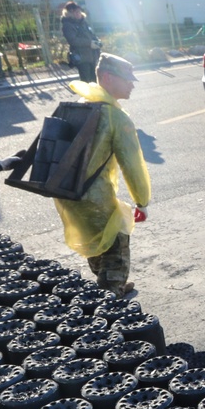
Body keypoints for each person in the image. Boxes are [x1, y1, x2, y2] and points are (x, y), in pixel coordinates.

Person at [53, 54, 150, 297]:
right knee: (117, 244)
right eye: (127, 79)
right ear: (107, 78)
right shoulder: (116, 116)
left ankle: (109, 285)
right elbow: (133, 165)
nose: (132, 84)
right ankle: (110, 298)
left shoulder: (79, 104)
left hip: (68, 194)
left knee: (96, 242)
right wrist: (142, 200)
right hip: (96, 198)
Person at [61, 1, 100, 83]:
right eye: (75, 12)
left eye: (79, 11)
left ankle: (94, 96)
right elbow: (73, 41)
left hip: (92, 56)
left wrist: (97, 42)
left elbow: (91, 34)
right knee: (86, 82)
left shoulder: (83, 22)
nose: (78, 13)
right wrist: (89, 43)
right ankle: (87, 96)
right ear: (69, 13)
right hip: (81, 57)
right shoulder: (67, 25)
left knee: (95, 81)